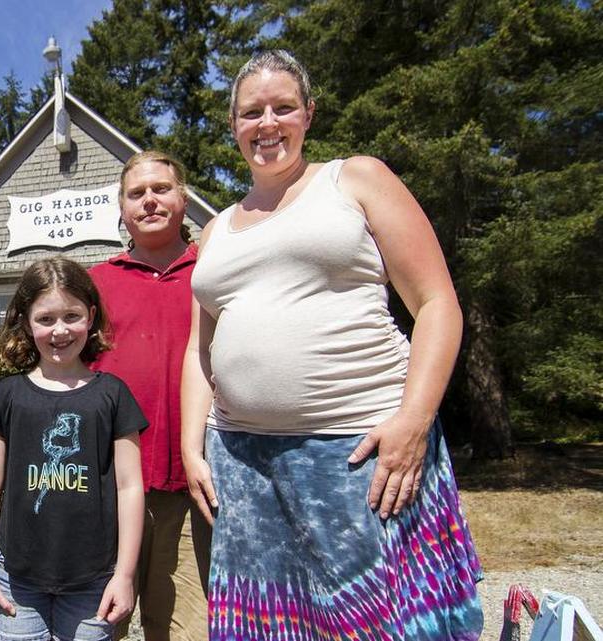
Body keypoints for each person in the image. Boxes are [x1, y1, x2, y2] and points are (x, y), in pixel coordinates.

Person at [181, 50, 484, 640]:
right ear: (233, 125)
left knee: (379, 624)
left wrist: (414, 420)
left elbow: (436, 303)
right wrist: (195, 448)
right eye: (251, 112)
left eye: (283, 108)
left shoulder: (356, 179)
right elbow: (201, 352)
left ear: (309, 115)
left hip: (360, 452)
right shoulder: (216, 228)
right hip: (244, 464)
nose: (267, 124)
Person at [0, 256, 148, 641]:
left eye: (72, 316)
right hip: (16, 578)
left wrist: (125, 574)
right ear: (26, 322)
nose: (60, 330)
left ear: (92, 316)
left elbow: (130, 487)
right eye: (45, 319)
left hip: (94, 579)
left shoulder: (113, 395)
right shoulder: (7, 395)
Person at [89, 150, 210, 641]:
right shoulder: (95, 283)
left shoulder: (215, 270)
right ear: (121, 208)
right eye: (136, 193)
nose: (150, 200)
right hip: (109, 487)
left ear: (183, 197)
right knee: (97, 624)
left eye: (161, 189)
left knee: (185, 630)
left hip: (193, 486)